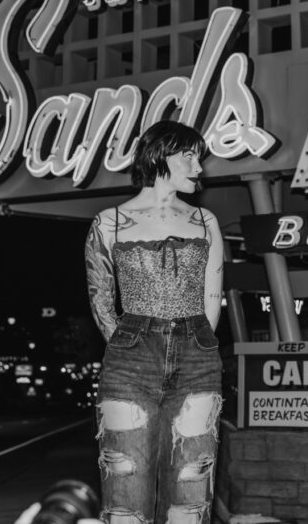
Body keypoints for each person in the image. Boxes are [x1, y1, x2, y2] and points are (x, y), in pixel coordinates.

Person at [85, 120, 224, 524]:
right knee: (126, 480)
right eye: (189, 155)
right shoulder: (108, 222)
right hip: (130, 359)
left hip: (197, 354)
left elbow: (211, 298)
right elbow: (100, 299)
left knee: (192, 483)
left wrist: (196, 338)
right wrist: (131, 341)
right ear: (159, 155)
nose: (199, 167)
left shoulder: (205, 221)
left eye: (199, 157)